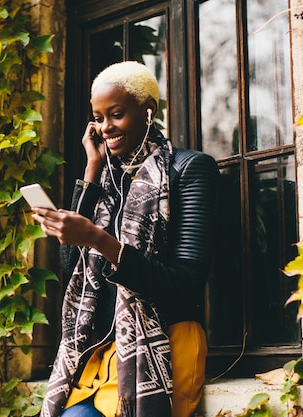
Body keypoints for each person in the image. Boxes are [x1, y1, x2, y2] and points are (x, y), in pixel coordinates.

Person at [32, 61, 220, 417]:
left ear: (148, 111)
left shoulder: (190, 168)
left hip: (160, 347)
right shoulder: (108, 182)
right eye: (98, 118)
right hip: (98, 357)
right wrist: (91, 170)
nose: (105, 127)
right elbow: (73, 271)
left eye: (115, 115)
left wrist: (100, 240)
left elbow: (186, 283)